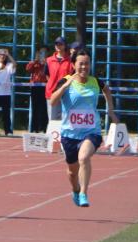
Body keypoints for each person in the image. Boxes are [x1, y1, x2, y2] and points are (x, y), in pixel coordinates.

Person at [49, 50, 118, 207]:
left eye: (87, 63)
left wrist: (111, 110)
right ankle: (76, 189)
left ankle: (83, 193)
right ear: (74, 65)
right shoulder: (66, 81)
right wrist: (65, 86)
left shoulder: (95, 81)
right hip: (70, 135)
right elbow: (52, 102)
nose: (84, 67)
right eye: (81, 64)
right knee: (72, 172)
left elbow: (107, 90)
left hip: (91, 131)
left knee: (84, 158)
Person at [44, 37, 74, 121]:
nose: (58, 46)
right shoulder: (49, 60)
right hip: (52, 92)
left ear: (65, 46)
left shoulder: (70, 60)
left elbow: (72, 75)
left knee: (66, 119)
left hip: (66, 93)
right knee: (52, 119)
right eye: (56, 44)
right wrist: (53, 84)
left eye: (60, 44)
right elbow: (47, 75)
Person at [24, 46, 49, 133]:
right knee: (35, 108)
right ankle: (34, 128)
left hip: (45, 87)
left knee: (44, 108)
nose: (42, 54)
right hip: (35, 87)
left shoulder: (49, 62)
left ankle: (43, 128)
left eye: (44, 52)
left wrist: (46, 63)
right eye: (41, 52)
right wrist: (36, 60)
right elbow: (28, 69)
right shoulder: (34, 62)